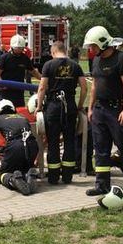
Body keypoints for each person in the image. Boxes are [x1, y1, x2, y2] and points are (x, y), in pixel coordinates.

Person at [83, 26, 123, 196]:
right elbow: (95, 86)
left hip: (116, 109)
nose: (90, 49)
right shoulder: (96, 60)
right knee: (101, 148)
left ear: (103, 43)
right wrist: (90, 108)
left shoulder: (122, 59)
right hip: (99, 110)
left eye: (93, 46)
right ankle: (102, 185)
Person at [35, 41, 87, 185]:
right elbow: (84, 88)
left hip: (53, 107)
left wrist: (39, 106)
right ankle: (67, 176)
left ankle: (53, 177)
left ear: (53, 52)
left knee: (53, 141)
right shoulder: (75, 65)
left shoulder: (49, 65)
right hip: (70, 106)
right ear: (65, 51)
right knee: (70, 140)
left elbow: (42, 88)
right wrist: (80, 106)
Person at [0, 99, 39, 196]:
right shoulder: (23, 118)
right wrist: (36, 159)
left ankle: (13, 180)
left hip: (15, 147)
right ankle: (29, 174)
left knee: (4, 173)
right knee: (24, 167)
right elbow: (32, 137)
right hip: (32, 146)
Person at [0, 34, 41, 108]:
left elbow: (33, 72)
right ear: (12, 47)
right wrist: (1, 83)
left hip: (18, 92)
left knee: (20, 113)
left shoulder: (24, 58)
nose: (19, 50)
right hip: (5, 91)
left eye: (20, 48)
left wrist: (43, 79)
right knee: (3, 112)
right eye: (17, 48)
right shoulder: (4, 58)